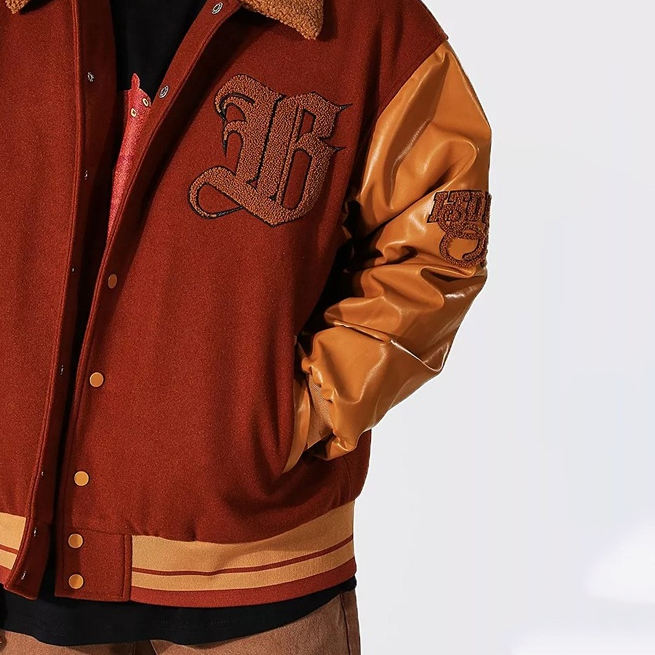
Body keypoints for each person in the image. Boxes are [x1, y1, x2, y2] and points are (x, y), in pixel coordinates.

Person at [0, 0, 492, 652]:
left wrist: (295, 414)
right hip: (20, 564)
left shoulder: (373, 25)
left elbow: (436, 252)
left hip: (260, 572)